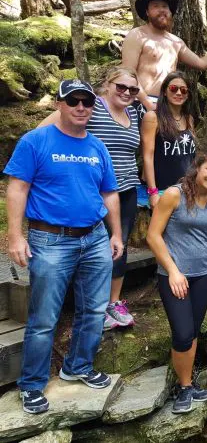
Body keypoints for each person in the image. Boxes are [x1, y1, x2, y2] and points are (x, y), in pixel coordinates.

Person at [4, 80, 122, 414]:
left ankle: (78, 367)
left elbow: (109, 193)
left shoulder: (97, 146)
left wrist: (116, 235)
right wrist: (15, 236)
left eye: (87, 102)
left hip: (95, 237)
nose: (81, 107)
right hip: (50, 239)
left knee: (95, 310)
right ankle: (32, 384)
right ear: (60, 103)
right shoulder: (35, 141)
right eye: (74, 101)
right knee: (44, 318)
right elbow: (17, 189)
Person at [38, 67, 141, 331]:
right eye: (121, 87)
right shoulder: (91, 107)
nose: (126, 93)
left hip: (126, 190)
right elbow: (43, 131)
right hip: (91, 191)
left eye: (133, 89)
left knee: (120, 245)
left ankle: (113, 303)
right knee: (91, 248)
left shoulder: (134, 113)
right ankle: (88, 306)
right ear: (107, 85)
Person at [146, 151, 207, 414]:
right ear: (198, 168)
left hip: (202, 274)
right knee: (182, 334)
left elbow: (206, 234)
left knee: (192, 332)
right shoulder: (174, 194)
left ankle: (187, 383)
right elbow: (153, 236)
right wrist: (172, 270)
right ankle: (183, 387)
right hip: (175, 276)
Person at [141, 71, 207, 245]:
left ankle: (206, 257)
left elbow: (192, 155)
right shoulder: (153, 118)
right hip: (164, 189)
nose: (179, 93)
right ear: (165, 91)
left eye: (184, 90)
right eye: (174, 88)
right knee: (170, 239)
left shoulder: (188, 119)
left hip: (189, 187)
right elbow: (148, 156)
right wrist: (152, 192)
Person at [121, 0, 207, 117]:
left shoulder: (176, 42)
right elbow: (128, 73)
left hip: (167, 105)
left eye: (165, 6)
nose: (162, 10)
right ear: (147, 12)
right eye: (155, 6)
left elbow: (202, 63)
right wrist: (147, 103)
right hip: (139, 101)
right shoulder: (137, 35)